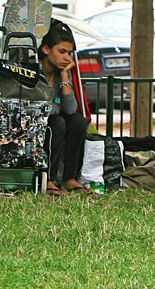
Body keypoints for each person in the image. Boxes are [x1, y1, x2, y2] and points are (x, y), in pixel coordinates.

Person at [39, 22, 90, 196]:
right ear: (46, 49)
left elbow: (70, 109)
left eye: (69, 53)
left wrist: (64, 76)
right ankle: (49, 179)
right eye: (62, 52)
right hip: (34, 123)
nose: (67, 58)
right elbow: (40, 107)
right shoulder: (34, 72)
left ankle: (69, 178)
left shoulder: (60, 73)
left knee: (77, 121)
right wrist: (55, 107)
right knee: (58, 122)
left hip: (53, 119)